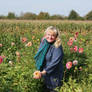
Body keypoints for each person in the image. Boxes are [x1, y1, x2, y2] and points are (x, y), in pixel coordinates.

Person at [34, 26, 64, 92]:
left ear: (56, 36)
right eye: (48, 34)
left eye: (53, 35)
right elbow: (40, 55)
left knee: (53, 89)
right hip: (45, 73)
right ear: (45, 34)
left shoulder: (57, 46)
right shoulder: (44, 43)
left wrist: (43, 73)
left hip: (54, 75)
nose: (50, 37)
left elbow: (54, 63)